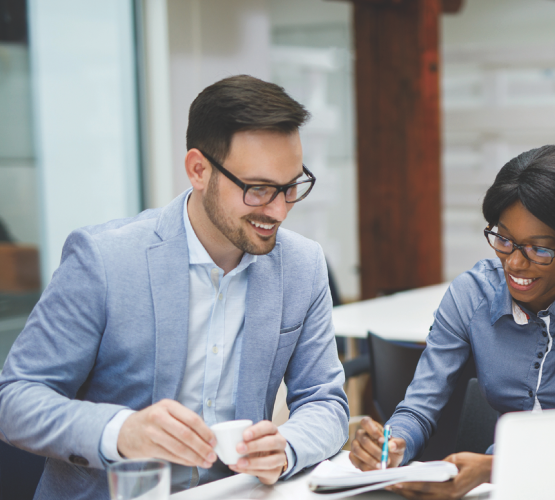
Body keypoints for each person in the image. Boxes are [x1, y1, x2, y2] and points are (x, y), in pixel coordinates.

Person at [0, 75, 349, 498]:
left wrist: (287, 447)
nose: (278, 210)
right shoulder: (104, 260)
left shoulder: (302, 265)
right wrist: (121, 431)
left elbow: (326, 402)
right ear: (199, 170)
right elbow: (15, 400)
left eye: (290, 186)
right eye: (258, 190)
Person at [349, 145, 555, 499]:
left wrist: (496, 467)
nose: (513, 263)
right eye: (504, 239)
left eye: (539, 249)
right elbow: (419, 407)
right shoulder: (471, 294)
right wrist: (391, 443)